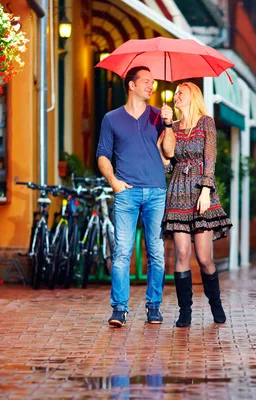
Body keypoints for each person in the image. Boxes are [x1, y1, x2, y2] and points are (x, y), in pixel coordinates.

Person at [96, 66, 175, 327]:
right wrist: (114, 182)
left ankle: (154, 306)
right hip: (126, 193)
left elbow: (169, 152)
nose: (151, 86)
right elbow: (103, 155)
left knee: (156, 251)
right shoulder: (111, 118)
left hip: (155, 191)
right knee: (122, 252)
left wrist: (168, 124)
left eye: (153, 82)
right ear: (131, 85)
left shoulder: (157, 116)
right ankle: (119, 309)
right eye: (146, 81)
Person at [158, 82, 233, 327]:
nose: (176, 95)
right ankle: (185, 312)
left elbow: (210, 159)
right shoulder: (173, 126)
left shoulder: (206, 122)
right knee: (181, 253)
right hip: (178, 190)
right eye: (175, 92)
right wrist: (166, 127)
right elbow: (168, 163)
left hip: (202, 191)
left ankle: (216, 304)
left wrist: (205, 189)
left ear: (194, 95)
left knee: (204, 258)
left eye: (182, 91)